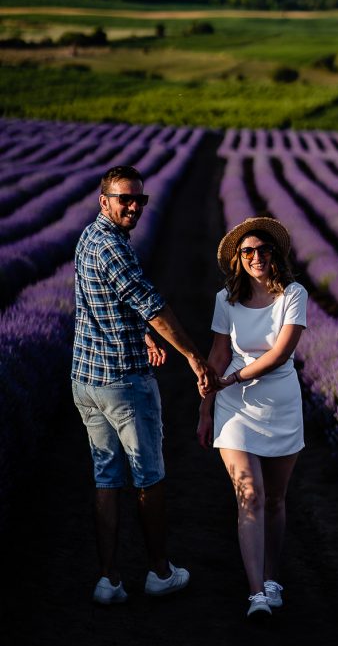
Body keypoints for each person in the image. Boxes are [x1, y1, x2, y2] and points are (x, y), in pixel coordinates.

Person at [71, 165, 217, 605]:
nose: (134, 206)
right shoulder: (114, 247)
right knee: (148, 477)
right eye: (124, 199)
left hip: (86, 379)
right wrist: (195, 357)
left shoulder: (87, 237)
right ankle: (158, 573)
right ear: (104, 200)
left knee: (106, 478)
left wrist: (142, 335)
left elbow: (103, 304)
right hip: (123, 383)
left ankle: (108, 580)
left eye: (140, 199)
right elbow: (151, 305)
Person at [197, 217, 308, 619]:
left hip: (280, 404)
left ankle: (272, 576)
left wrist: (231, 379)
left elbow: (280, 354)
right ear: (238, 260)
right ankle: (256, 593)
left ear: (274, 254)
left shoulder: (294, 294)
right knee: (251, 497)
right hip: (235, 407)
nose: (256, 257)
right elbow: (218, 356)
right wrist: (206, 407)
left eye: (263, 250)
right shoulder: (224, 299)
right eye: (248, 252)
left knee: (276, 500)